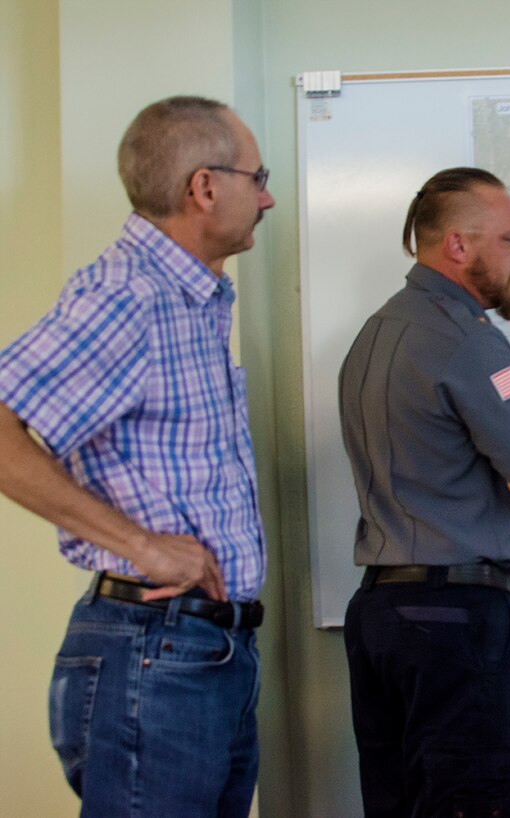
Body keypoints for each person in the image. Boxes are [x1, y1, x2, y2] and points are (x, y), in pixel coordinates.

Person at [0, 96, 275, 817]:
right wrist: (142, 546)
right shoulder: (130, 295)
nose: (268, 196)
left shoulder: (193, 300)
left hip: (205, 653)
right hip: (155, 654)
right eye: (259, 176)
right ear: (205, 187)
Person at [339, 167, 510, 816]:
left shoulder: (373, 333)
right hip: (453, 621)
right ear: (459, 248)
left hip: (382, 615)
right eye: (509, 239)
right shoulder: (470, 342)